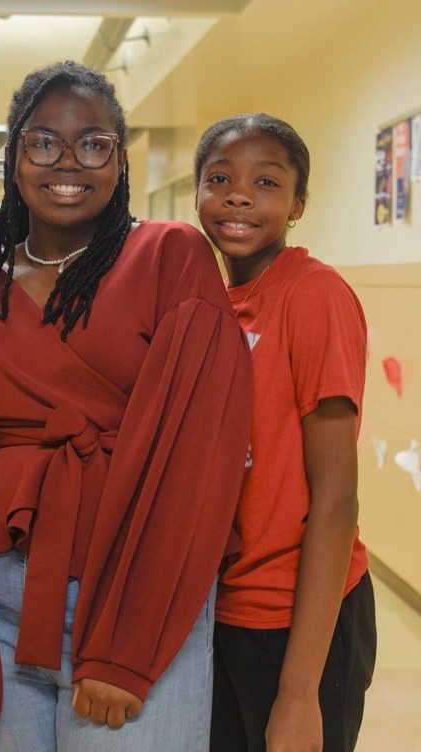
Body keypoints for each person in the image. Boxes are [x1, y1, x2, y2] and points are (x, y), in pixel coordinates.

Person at [0, 60, 253, 751]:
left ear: (120, 161)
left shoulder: (170, 255)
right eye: (44, 142)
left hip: (139, 584)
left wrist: (129, 646)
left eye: (94, 143)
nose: (70, 162)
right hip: (0, 592)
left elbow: (197, 455)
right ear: (13, 155)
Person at [194, 113, 377, 752]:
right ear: (198, 195)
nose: (240, 195)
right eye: (221, 178)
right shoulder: (211, 304)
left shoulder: (313, 294)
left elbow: (335, 501)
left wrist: (299, 693)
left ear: (297, 204)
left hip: (301, 621)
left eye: (266, 182)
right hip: (225, 613)